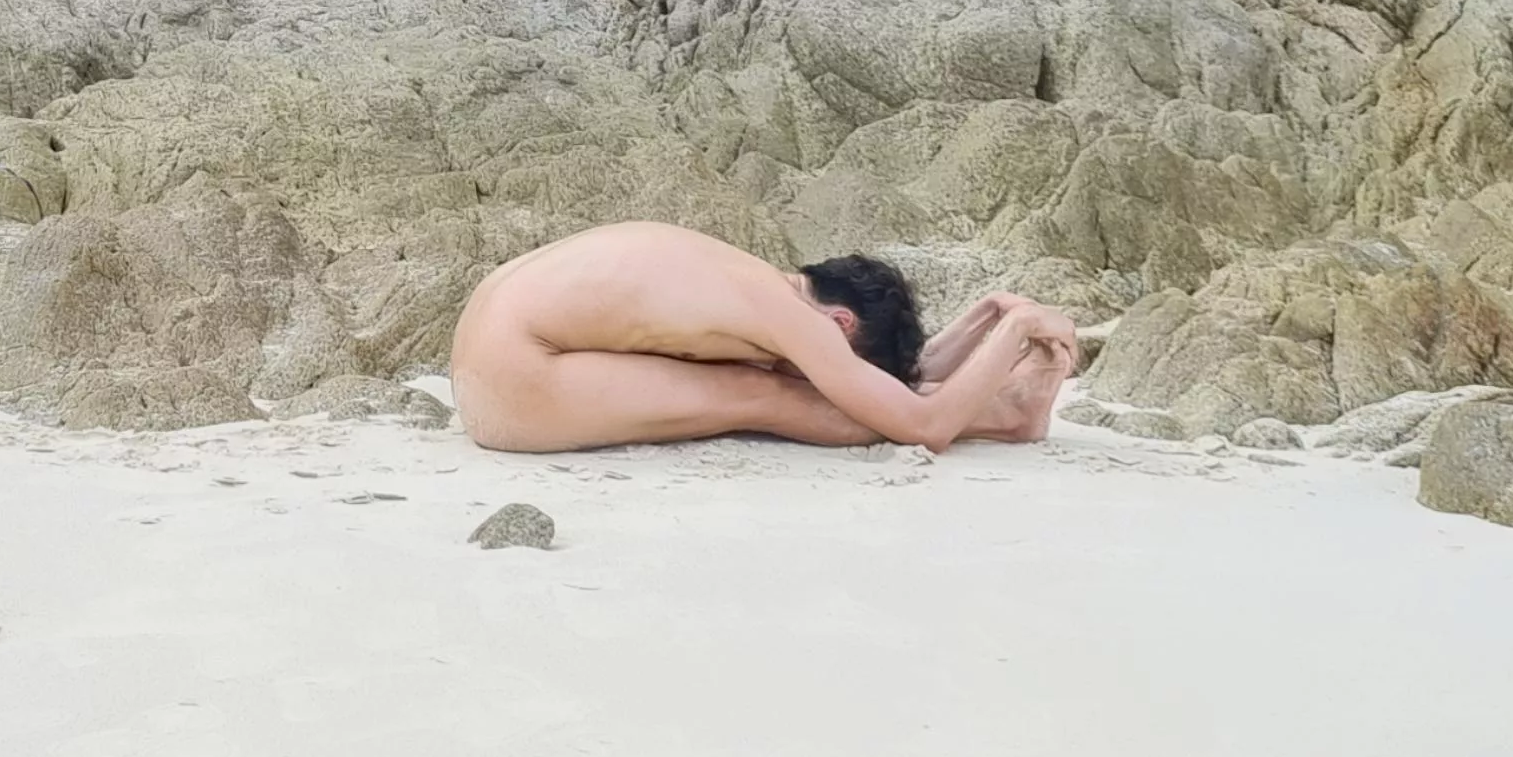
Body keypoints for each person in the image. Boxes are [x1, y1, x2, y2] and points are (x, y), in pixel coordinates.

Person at [450, 221, 1078, 453]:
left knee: (770, 381)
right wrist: (1019, 326)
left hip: (484, 358)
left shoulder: (752, 281)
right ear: (840, 325)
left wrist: (985, 316)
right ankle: (1007, 416)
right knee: (766, 395)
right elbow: (922, 424)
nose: (825, 367)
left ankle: (1000, 401)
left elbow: (892, 386)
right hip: (513, 387)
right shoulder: (792, 317)